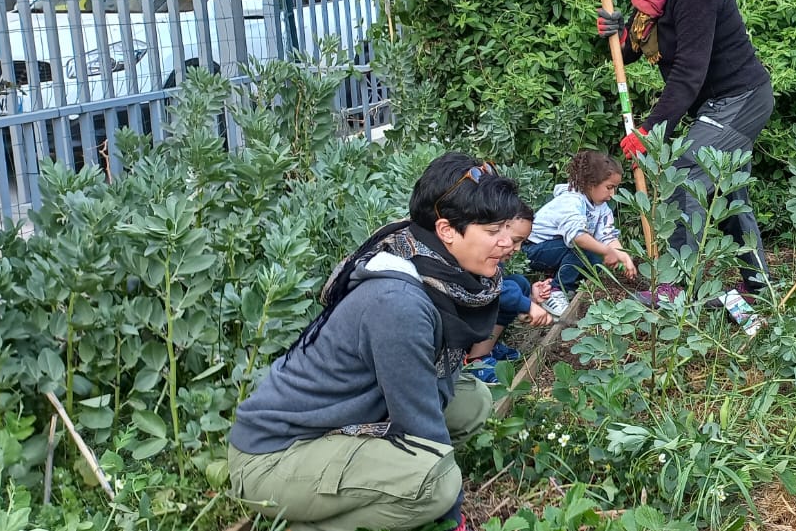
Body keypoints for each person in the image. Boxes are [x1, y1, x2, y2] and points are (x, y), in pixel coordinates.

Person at [228, 152, 525, 531]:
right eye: (493, 231)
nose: (508, 243)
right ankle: (299, 524)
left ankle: (368, 486)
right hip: (273, 456)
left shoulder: (429, 260)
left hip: (341, 418)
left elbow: (434, 387)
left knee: (472, 401)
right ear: (447, 230)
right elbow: (420, 426)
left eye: (506, 228)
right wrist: (451, 515)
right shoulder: (399, 303)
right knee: (436, 482)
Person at [595, 0, 773, 303]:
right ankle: (760, 287)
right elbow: (649, 44)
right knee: (728, 194)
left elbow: (689, 73)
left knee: (684, 176)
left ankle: (674, 289)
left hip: (740, 99)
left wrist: (650, 129)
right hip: (721, 102)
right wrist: (619, 35)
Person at [524, 150, 638, 312]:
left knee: (598, 261)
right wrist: (606, 251)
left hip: (558, 249)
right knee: (585, 248)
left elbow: (607, 235)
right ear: (591, 184)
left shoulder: (601, 208)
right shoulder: (571, 201)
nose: (612, 194)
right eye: (609, 187)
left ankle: (559, 285)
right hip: (533, 250)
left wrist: (622, 255)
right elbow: (577, 237)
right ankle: (557, 291)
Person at [464, 202, 556, 385]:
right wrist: (527, 305)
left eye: (522, 242)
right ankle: (474, 361)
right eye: (516, 240)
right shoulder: (474, 253)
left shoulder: (495, 258)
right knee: (510, 290)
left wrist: (530, 299)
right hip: (459, 318)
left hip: (471, 314)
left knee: (519, 283)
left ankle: (486, 348)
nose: (518, 248)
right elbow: (491, 289)